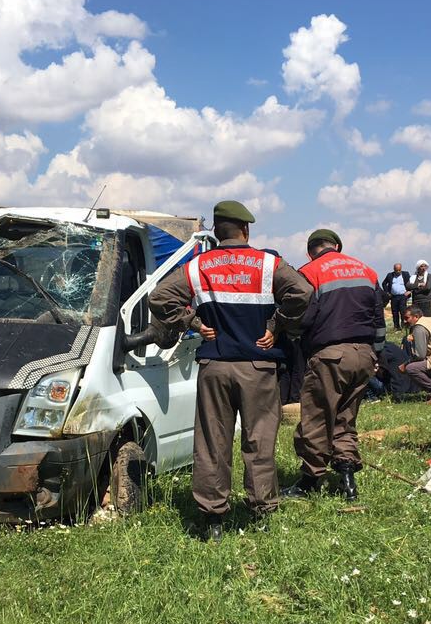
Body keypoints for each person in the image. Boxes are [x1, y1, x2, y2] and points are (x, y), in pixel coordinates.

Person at [148, 200, 311, 540]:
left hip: (215, 367)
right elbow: (303, 292)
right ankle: (262, 514)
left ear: (216, 231)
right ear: (246, 229)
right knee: (259, 440)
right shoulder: (268, 264)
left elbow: (160, 298)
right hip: (259, 365)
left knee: (212, 443)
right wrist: (277, 324)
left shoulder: (199, 266)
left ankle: (212, 519)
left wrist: (191, 321)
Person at [283, 229, 384, 501]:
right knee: (345, 417)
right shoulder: (367, 271)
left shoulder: (310, 272)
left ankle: (310, 480)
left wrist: (295, 339)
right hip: (364, 355)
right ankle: (347, 479)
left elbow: (302, 318)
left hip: (329, 355)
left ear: (309, 251)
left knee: (316, 418)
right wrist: (377, 355)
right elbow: (379, 319)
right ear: (337, 246)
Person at [382, 263, 407, 328]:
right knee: (395, 312)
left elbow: (410, 282)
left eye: (399, 270)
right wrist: (387, 292)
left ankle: (404, 326)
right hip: (394, 297)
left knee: (403, 311)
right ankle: (396, 327)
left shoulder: (405, 274)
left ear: (401, 269)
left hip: (403, 296)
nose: (398, 272)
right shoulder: (390, 275)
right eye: (396, 270)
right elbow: (384, 283)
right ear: (394, 269)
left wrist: (409, 291)